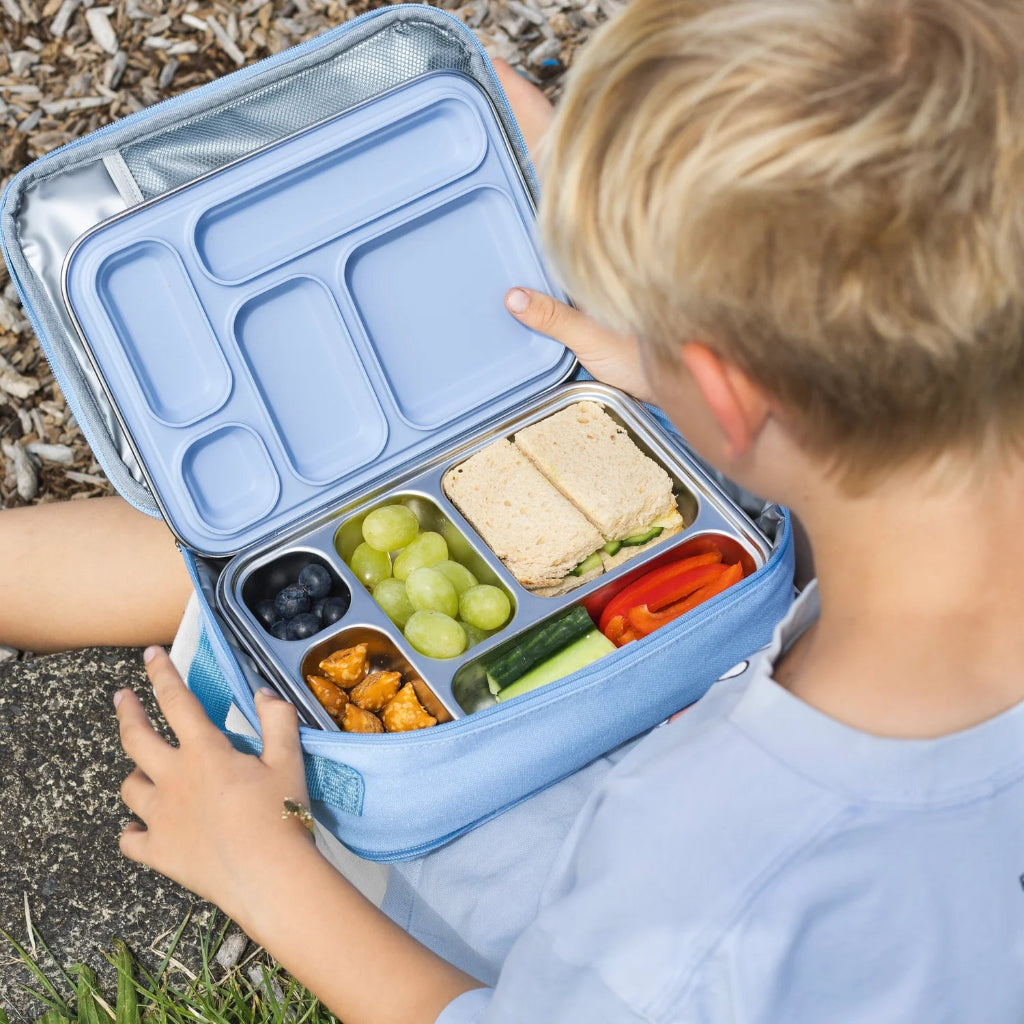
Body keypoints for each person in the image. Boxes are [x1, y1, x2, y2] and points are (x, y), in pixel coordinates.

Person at [7, 0, 1024, 1018]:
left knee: (246, 600)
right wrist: (685, 379)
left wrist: (258, 865)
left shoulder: (699, 894)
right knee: (262, 553)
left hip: (563, 892)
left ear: (727, 392)